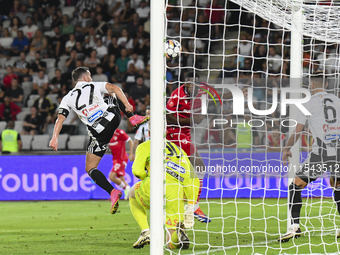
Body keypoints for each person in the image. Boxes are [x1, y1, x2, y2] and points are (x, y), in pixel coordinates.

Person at [49, 66, 149, 214]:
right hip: (111, 119)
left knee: (90, 168)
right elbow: (114, 87)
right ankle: (133, 118)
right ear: (85, 78)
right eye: (89, 76)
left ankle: (112, 192)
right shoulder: (93, 85)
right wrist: (128, 106)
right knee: (111, 94)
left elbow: (60, 119)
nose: (91, 78)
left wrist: (54, 138)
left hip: (98, 133)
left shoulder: (67, 98)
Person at [278, 75, 340, 242]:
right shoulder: (337, 100)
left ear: (311, 85)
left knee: (295, 186)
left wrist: (287, 148)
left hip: (321, 152)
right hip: (339, 151)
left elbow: (298, 130)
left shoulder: (308, 103)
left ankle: (294, 227)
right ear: (326, 84)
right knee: (338, 186)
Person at [129, 137, 199, 249]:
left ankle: (146, 231)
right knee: (170, 243)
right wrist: (190, 206)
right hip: (177, 191)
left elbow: (137, 172)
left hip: (155, 185)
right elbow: (194, 179)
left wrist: (145, 176)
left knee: (132, 193)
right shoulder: (178, 149)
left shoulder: (145, 146)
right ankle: (178, 234)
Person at [166, 71, 211, 223]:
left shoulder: (200, 96)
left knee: (188, 171)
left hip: (186, 136)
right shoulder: (177, 94)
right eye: (190, 83)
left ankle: (188, 204)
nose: (193, 86)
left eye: (195, 83)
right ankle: (193, 207)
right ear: (186, 83)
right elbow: (169, 117)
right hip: (174, 135)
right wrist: (192, 119)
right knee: (199, 167)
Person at [108, 128, 133, 200]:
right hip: (115, 159)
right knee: (121, 179)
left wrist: (131, 153)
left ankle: (126, 188)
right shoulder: (108, 134)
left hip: (121, 158)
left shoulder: (120, 133)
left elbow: (130, 141)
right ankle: (130, 193)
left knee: (111, 177)